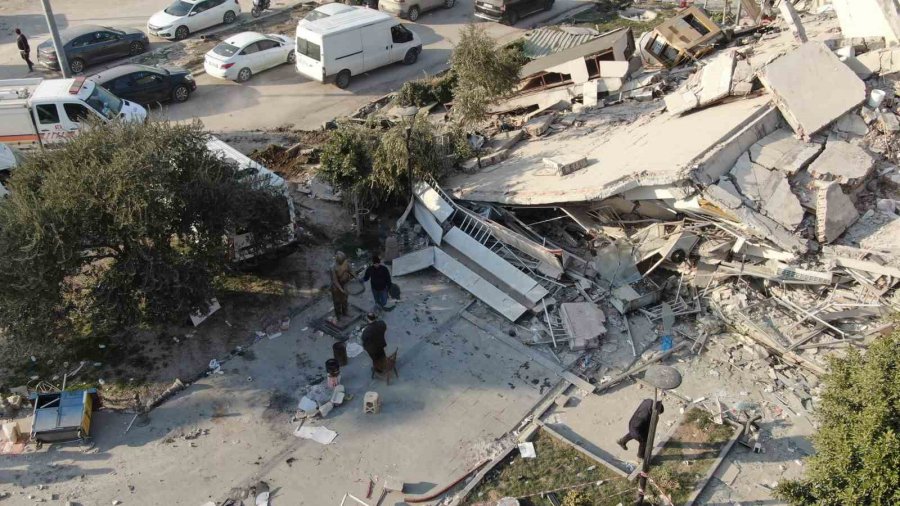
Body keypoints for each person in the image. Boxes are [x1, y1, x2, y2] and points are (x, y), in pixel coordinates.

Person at [329, 251, 352, 324]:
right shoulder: (333, 267)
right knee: (337, 302)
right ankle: (339, 316)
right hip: (336, 288)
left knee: (345, 300)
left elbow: (350, 270)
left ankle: (345, 312)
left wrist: (354, 277)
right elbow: (335, 281)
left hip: (345, 284)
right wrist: (341, 290)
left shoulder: (346, 263)